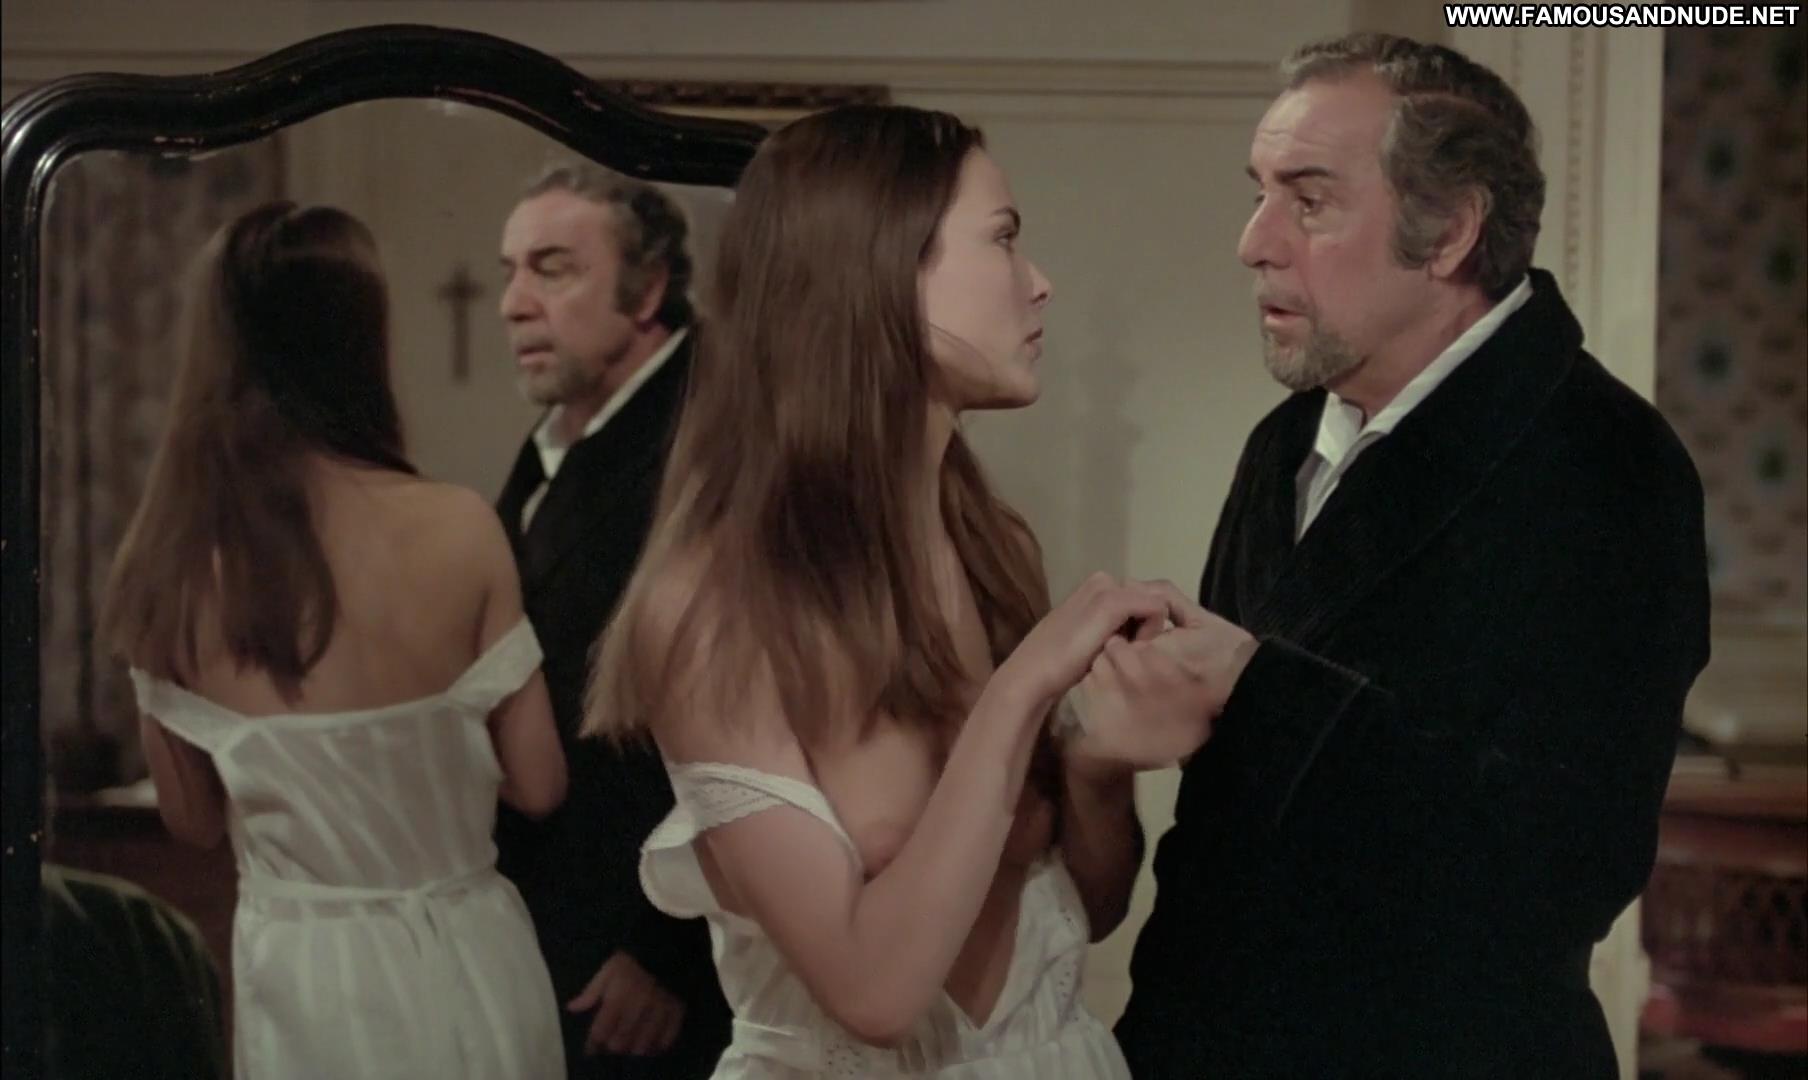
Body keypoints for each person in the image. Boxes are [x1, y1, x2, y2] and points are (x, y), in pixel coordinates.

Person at [1109, 33, 1713, 1078]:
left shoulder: (1607, 459)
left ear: (1449, 232)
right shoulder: (1284, 441)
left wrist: (1258, 689)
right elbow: (1219, 840)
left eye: (1308, 200)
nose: (1253, 242)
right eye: (1258, 194)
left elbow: (1567, 868)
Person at [583, 104, 1192, 1078]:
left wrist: (1098, 767)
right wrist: (1024, 688)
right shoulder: (717, 608)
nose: (1038, 281)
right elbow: (875, 993)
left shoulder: (987, 543)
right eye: (1002, 239)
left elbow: (1084, 907)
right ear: (879, 270)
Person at [100, 201, 568, 1080]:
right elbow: (539, 784)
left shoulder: (170, 565)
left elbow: (193, 824)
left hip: (311, 977)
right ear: (363, 339)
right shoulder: (461, 526)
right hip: (470, 952)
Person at [493, 162, 731, 1079]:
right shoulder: (561, 434)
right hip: (556, 922)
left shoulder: (711, 433)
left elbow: (739, 704)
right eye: (511, 270)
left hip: (654, 952)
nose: (514, 303)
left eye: (552, 268)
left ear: (650, 288)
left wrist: (665, 947)